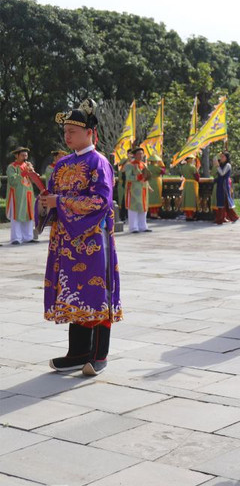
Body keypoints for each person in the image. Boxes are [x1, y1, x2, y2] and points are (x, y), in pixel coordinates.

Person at [40, 99, 122, 376]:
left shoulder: (99, 162)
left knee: (96, 292)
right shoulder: (62, 164)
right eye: (65, 131)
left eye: (72, 131)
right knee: (73, 291)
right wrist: (47, 201)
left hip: (93, 241)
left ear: (89, 132)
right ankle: (77, 352)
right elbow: (53, 198)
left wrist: (59, 202)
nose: (67, 136)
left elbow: (100, 201)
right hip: (66, 241)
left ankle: (99, 354)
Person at [6, 147, 39, 244]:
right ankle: (16, 238)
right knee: (16, 216)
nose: (25, 157)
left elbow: (32, 180)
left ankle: (28, 237)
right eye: (23, 155)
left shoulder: (27, 165)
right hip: (16, 195)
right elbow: (12, 180)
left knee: (28, 215)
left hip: (28, 194)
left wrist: (33, 174)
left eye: (26, 155)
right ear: (16, 155)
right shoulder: (12, 167)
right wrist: (25, 172)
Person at [123, 147, 151, 233]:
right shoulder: (129, 165)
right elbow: (128, 177)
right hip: (133, 189)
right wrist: (138, 177)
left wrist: (149, 186)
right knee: (133, 208)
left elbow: (146, 176)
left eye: (142, 153)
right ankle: (133, 227)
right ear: (134, 155)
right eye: (139, 154)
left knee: (143, 207)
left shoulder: (144, 164)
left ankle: (143, 226)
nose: (141, 155)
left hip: (143, 188)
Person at [213, 151, 240, 225]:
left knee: (225, 200)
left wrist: (217, 166)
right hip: (220, 184)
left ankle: (222, 218)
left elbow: (222, 173)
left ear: (226, 158)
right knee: (222, 200)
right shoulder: (221, 164)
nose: (221, 158)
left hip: (224, 184)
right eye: (221, 157)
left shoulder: (228, 165)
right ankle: (226, 218)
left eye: (223, 157)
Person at [177, 155, 200, 220]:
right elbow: (197, 177)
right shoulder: (192, 167)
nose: (193, 160)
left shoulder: (183, 167)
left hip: (186, 183)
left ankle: (187, 215)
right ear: (189, 159)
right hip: (192, 184)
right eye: (192, 159)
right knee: (191, 199)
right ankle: (191, 215)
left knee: (186, 199)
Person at [146, 154, 166, 219]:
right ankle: (155, 214)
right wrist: (162, 164)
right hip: (156, 183)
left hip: (149, 182)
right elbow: (163, 172)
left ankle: (151, 213)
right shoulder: (156, 167)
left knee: (151, 198)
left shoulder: (147, 167)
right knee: (156, 198)